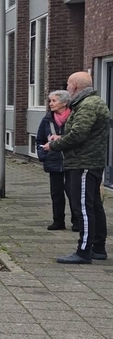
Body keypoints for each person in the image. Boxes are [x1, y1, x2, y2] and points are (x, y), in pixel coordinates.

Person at [42, 71, 110, 264]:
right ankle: (98, 248)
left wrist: (53, 145)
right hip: (89, 161)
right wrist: (61, 137)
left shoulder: (87, 105)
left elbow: (79, 135)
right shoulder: (91, 103)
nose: (67, 88)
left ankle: (83, 251)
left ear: (74, 86)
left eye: (68, 85)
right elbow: (82, 133)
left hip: (83, 163)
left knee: (83, 207)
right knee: (95, 205)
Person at [36, 90, 81, 232]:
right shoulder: (47, 119)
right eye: (50, 101)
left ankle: (77, 222)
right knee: (56, 193)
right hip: (54, 161)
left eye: (54, 101)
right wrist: (43, 156)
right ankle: (58, 221)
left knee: (73, 192)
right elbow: (40, 139)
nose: (50, 104)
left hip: (72, 161)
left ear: (64, 102)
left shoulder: (74, 118)